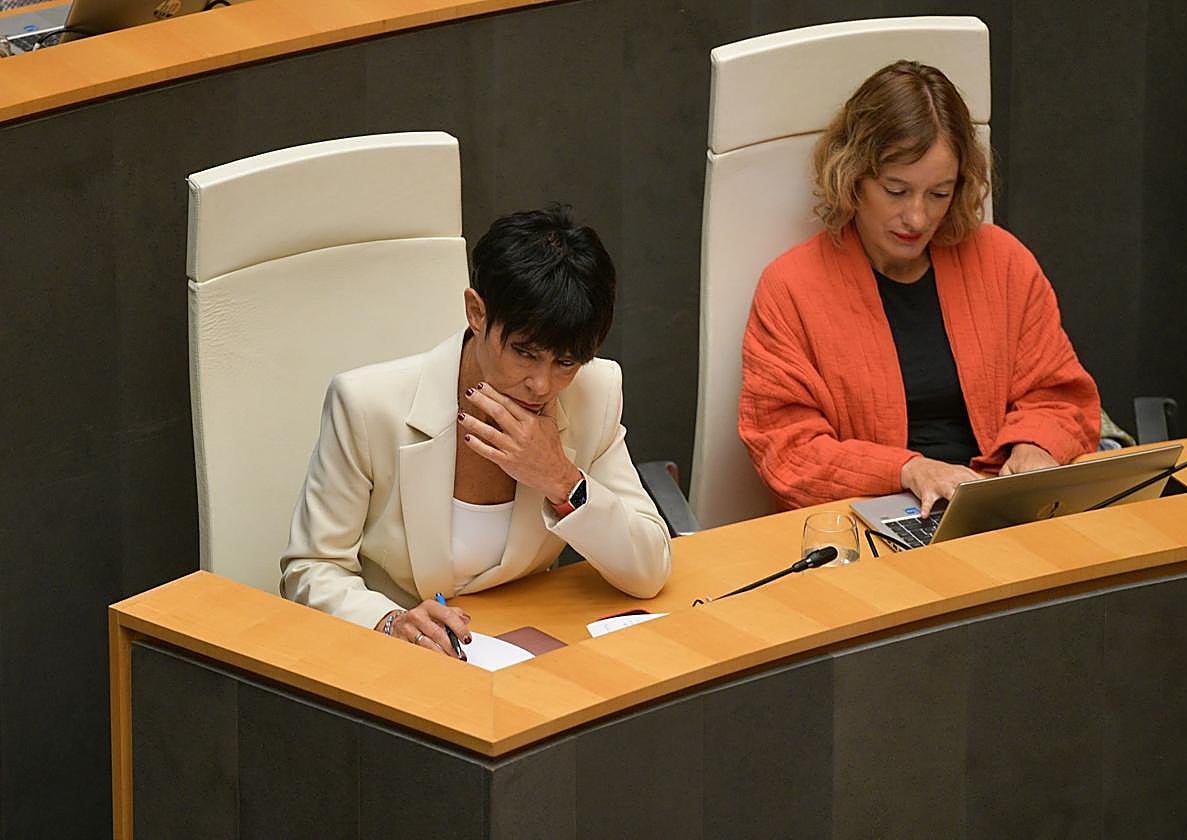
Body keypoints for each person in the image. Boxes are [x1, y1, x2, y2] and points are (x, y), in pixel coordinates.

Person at [281, 205, 671, 657]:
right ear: (477, 313)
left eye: (565, 362)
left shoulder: (593, 391)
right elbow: (310, 568)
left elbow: (649, 568)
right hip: (400, 663)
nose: (542, 385)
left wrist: (562, 480)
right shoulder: (368, 405)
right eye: (525, 353)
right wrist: (388, 623)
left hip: (524, 656)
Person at [739, 60, 1100, 517]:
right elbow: (787, 451)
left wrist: (1036, 443)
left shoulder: (1004, 262)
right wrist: (908, 469)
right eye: (896, 191)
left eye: (939, 194)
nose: (918, 218)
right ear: (852, 176)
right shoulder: (790, 288)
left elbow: (1059, 395)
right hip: (869, 521)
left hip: (1000, 510)